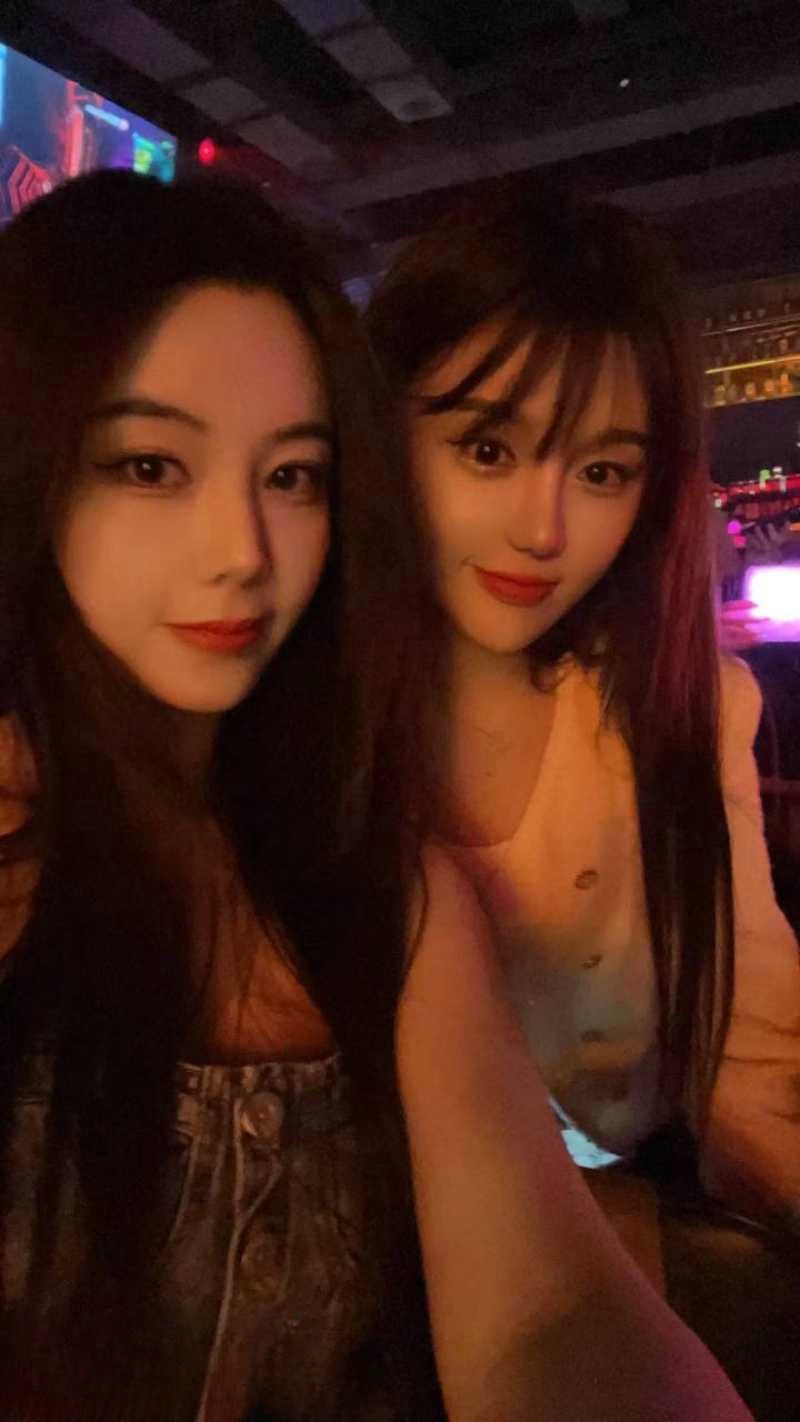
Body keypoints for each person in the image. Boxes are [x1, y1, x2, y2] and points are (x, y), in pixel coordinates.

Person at [0, 170, 754, 1422]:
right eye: (150, 464)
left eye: (293, 476)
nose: (242, 550)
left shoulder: (380, 886)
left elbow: (545, 1308)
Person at [367, 191, 800, 1287]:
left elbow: (751, 1055)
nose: (544, 530)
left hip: (626, 1238)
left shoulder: (677, 712)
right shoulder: (294, 731)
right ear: (376, 436)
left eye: (602, 471)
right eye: (487, 449)